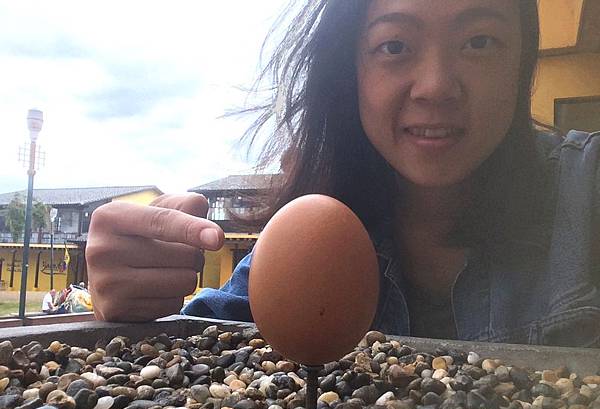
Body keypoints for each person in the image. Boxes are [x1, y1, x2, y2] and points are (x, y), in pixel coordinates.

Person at [86, 0, 600, 347]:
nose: (436, 86)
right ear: (350, 71)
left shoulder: (588, 191)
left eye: (480, 42)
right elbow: (219, 330)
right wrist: (136, 299)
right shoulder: (323, 214)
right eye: (394, 46)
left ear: (522, 62)